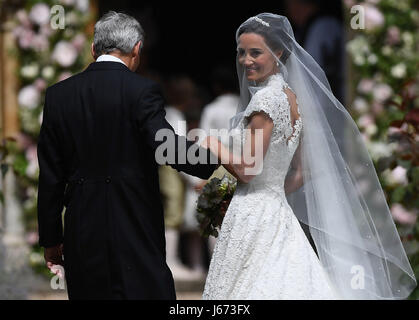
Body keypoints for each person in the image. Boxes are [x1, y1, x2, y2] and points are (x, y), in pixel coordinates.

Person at [201, 13, 416, 299]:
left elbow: (248, 169)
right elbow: (306, 170)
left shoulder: (265, 101)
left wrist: (212, 144)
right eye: (242, 52)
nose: (246, 60)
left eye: (255, 53)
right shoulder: (291, 97)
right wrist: (274, 190)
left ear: (278, 52)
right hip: (277, 211)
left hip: (253, 215)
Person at [37, 11, 218, 300]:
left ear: (94, 49)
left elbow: (50, 177)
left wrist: (50, 239)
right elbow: (166, 146)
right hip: (135, 223)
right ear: (137, 50)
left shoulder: (59, 95)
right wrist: (215, 161)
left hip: (82, 228)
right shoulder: (142, 90)